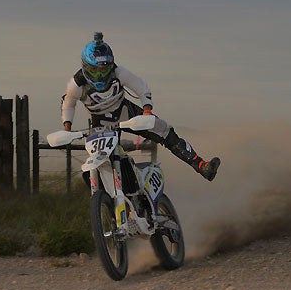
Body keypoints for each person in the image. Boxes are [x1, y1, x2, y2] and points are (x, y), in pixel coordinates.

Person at [61, 32, 220, 181]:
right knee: (99, 160)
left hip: (125, 113)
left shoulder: (119, 72)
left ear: (111, 65)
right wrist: (67, 129)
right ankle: (107, 197)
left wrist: (147, 111)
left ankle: (200, 165)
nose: (99, 75)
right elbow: (68, 105)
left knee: (164, 131)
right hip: (99, 124)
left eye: (104, 70)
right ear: (85, 67)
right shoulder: (76, 84)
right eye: (94, 70)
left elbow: (141, 88)